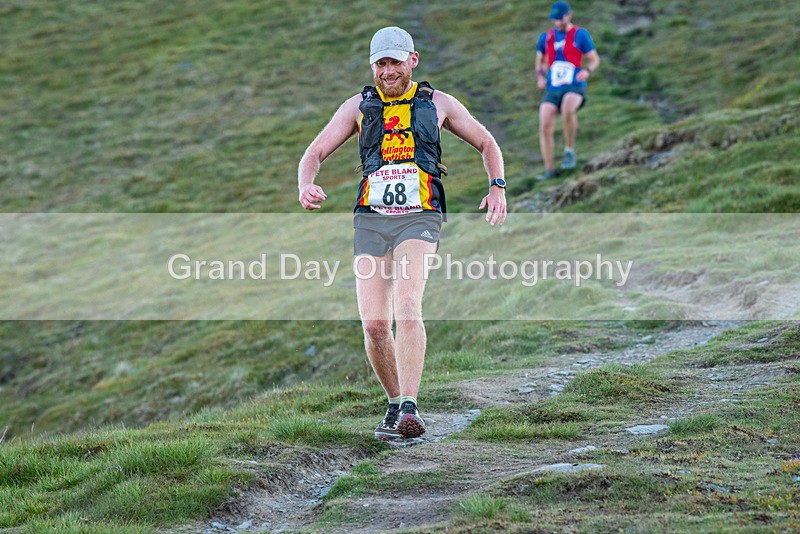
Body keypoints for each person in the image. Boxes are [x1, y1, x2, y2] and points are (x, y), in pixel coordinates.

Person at [298, 26, 506, 440]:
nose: (388, 71)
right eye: (381, 64)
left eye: (395, 62)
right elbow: (314, 152)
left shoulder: (438, 103)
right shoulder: (358, 106)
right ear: (372, 67)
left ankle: (411, 405)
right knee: (375, 325)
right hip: (371, 220)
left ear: (413, 60)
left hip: (420, 216)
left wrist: (497, 186)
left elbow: (486, 142)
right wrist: (306, 183)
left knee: (408, 305)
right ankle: (394, 405)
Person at [535, 1, 600, 180]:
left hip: (574, 85)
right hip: (553, 87)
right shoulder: (546, 38)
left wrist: (587, 71)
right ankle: (549, 170)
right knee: (545, 123)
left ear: (568, 15)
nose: (557, 22)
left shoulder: (580, 35)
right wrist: (540, 77)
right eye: (555, 19)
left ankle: (569, 151)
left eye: (560, 18)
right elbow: (539, 62)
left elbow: (594, 59)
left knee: (567, 108)